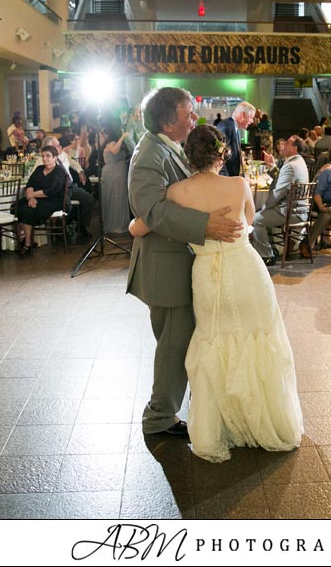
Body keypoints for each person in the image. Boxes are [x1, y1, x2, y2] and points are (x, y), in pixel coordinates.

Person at [129, 124, 303, 462]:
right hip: (246, 271)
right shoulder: (238, 184)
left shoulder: (176, 192)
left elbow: (142, 224)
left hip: (207, 276)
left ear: (187, 156)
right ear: (223, 155)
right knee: (256, 341)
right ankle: (263, 420)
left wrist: (136, 226)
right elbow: (250, 220)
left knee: (215, 342)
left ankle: (223, 423)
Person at [126, 87, 241, 439]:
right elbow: (152, 212)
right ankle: (159, 417)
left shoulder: (166, 147)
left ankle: (170, 409)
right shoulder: (149, 155)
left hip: (177, 262)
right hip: (165, 267)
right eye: (188, 113)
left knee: (177, 343)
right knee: (173, 347)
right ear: (168, 119)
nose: (195, 118)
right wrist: (205, 225)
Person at [251, 134, 309, 265]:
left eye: (287, 143)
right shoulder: (298, 161)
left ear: (294, 148)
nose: (283, 145)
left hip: (290, 211)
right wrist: (272, 166)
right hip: (298, 209)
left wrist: (265, 207)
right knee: (261, 213)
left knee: (256, 219)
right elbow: (282, 181)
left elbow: (279, 192)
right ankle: (271, 248)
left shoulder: (291, 165)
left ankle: (267, 255)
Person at [14, 145, 68, 256]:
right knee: (16, 206)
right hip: (37, 198)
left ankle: (27, 243)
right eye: (43, 156)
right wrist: (31, 197)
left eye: (48, 156)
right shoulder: (39, 169)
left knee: (28, 210)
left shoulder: (59, 172)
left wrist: (32, 195)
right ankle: (24, 238)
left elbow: (51, 191)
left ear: (55, 158)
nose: (45, 158)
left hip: (53, 201)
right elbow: (30, 184)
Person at [99, 125, 132, 233]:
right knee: (115, 198)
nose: (101, 136)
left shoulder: (112, 143)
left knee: (119, 198)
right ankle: (115, 225)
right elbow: (114, 151)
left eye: (103, 134)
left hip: (117, 173)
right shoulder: (112, 144)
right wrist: (123, 137)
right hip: (113, 174)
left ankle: (119, 223)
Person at [217, 101, 255, 176]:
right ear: (243, 115)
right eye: (251, 117)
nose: (252, 121)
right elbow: (219, 157)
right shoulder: (226, 127)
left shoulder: (235, 128)